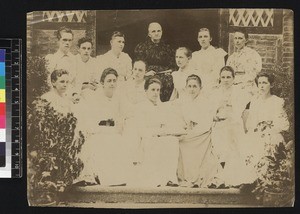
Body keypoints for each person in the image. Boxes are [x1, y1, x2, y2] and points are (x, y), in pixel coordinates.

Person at [77, 68, 130, 186]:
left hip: (115, 131)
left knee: (119, 142)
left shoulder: (119, 97)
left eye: (114, 81)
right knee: (102, 143)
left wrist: (121, 124)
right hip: (99, 132)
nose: (112, 83)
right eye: (109, 81)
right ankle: (102, 177)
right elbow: (91, 121)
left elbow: (127, 114)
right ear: (102, 83)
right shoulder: (95, 98)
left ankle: (117, 178)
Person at [131, 77, 181, 187]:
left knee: (172, 141)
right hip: (146, 138)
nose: (156, 93)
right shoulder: (140, 107)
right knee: (153, 143)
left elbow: (166, 124)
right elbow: (141, 129)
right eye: (153, 90)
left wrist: (165, 132)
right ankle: (155, 178)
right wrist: (158, 132)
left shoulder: (161, 107)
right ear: (146, 91)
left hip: (161, 136)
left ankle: (170, 177)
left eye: (158, 90)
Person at [210, 66, 253, 187]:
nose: (226, 80)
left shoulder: (240, 92)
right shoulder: (214, 93)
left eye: (228, 77)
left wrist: (229, 110)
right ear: (220, 78)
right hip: (218, 124)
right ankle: (220, 176)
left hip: (233, 123)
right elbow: (211, 111)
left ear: (234, 78)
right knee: (220, 139)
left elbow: (238, 111)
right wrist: (216, 114)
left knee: (231, 138)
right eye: (223, 77)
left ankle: (229, 177)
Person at [177, 74, 218, 188]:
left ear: (200, 88)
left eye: (195, 86)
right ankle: (185, 175)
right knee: (179, 141)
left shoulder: (205, 102)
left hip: (202, 134)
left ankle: (195, 176)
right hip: (188, 133)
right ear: (185, 88)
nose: (192, 89)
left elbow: (207, 122)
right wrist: (185, 127)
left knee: (186, 142)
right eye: (189, 86)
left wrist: (194, 125)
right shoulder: (182, 102)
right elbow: (180, 119)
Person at [243, 72, 289, 172]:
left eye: (264, 83)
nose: (262, 86)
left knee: (266, 144)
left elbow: (284, 123)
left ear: (271, 85)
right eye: (259, 83)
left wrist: (268, 128)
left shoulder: (278, 101)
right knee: (246, 146)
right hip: (256, 133)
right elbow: (250, 122)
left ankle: (264, 174)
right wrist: (256, 130)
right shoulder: (254, 101)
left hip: (272, 133)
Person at [134, 22, 176, 102]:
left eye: (158, 31)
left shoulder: (168, 47)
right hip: (148, 75)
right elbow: (138, 64)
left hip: (166, 76)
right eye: (153, 31)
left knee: (170, 82)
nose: (156, 33)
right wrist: (145, 73)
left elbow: (173, 65)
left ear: (162, 32)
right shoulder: (141, 47)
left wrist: (170, 71)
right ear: (149, 34)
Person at [226, 29, 262, 94]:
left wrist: (240, 83)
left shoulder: (252, 54)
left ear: (246, 40)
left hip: (246, 86)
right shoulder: (231, 57)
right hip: (233, 86)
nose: (237, 41)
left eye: (240, 38)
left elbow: (253, 73)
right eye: (235, 38)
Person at [191, 28, 227, 92]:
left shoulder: (218, 53)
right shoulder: (195, 55)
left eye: (205, 36)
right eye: (200, 37)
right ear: (198, 39)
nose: (203, 39)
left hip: (212, 87)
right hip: (196, 88)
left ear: (210, 39)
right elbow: (192, 72)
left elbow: (218, 74)